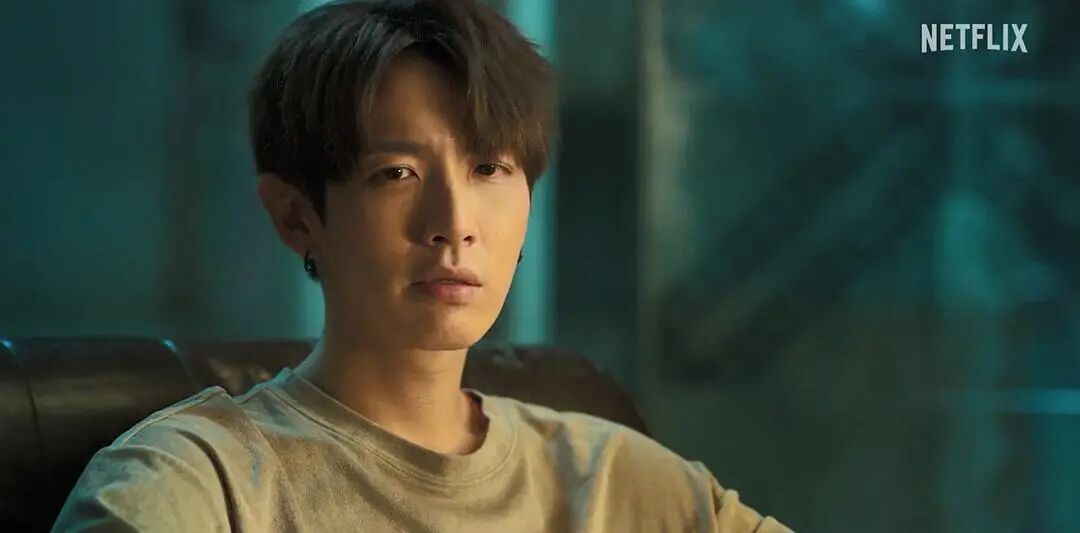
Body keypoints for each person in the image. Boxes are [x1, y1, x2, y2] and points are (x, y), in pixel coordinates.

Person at [52, 1, 791, 531]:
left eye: (488, 168)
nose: (455, 223)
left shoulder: (612, 480)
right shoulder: (196, 483)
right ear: (296, 216)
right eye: (397, 174)